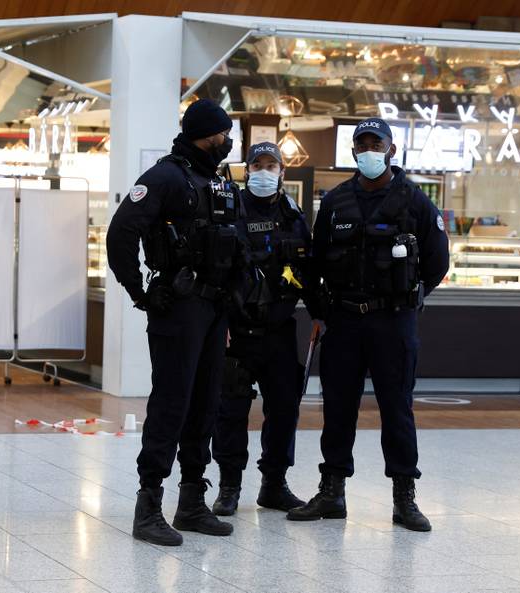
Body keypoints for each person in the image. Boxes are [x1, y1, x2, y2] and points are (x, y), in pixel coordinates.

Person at [286, 117, 449, 532]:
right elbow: (315, 261)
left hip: (393, 321)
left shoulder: (415, 201)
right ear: (354, 151)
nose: (369, 151)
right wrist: (320, 310)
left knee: (397, 409)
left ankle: (404, 497)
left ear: (391, 149)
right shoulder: (336, 201)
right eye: (362, 145)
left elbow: (437, 261)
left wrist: (410, 298)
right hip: (343, 320)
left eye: (377, 144)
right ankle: (332, 491)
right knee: (338, 408)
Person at [106, 98, 242, 546]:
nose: (227, 141)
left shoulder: (216, 180)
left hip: (213, 308)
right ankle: (148, 507)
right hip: (179, 307)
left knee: (205, 404)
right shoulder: (165, 177)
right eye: (223, 133)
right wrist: (140, 291)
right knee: (171, 404)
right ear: (206, 134)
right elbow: (121, 232)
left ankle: (191, 502)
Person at [210, 142, 315, 516]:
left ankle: (274, 484)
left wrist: (320, 314)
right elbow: (214, 270)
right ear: (247, 171)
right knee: (230, 411)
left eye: (272, 166)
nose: (265, 172)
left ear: (282, 172)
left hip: (279, 330)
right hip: (236, 331)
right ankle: (229, 486)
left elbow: (308, 270)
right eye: (258, 166)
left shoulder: (293, 215)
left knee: (285, 408)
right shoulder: (229, 210)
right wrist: (218, 321)